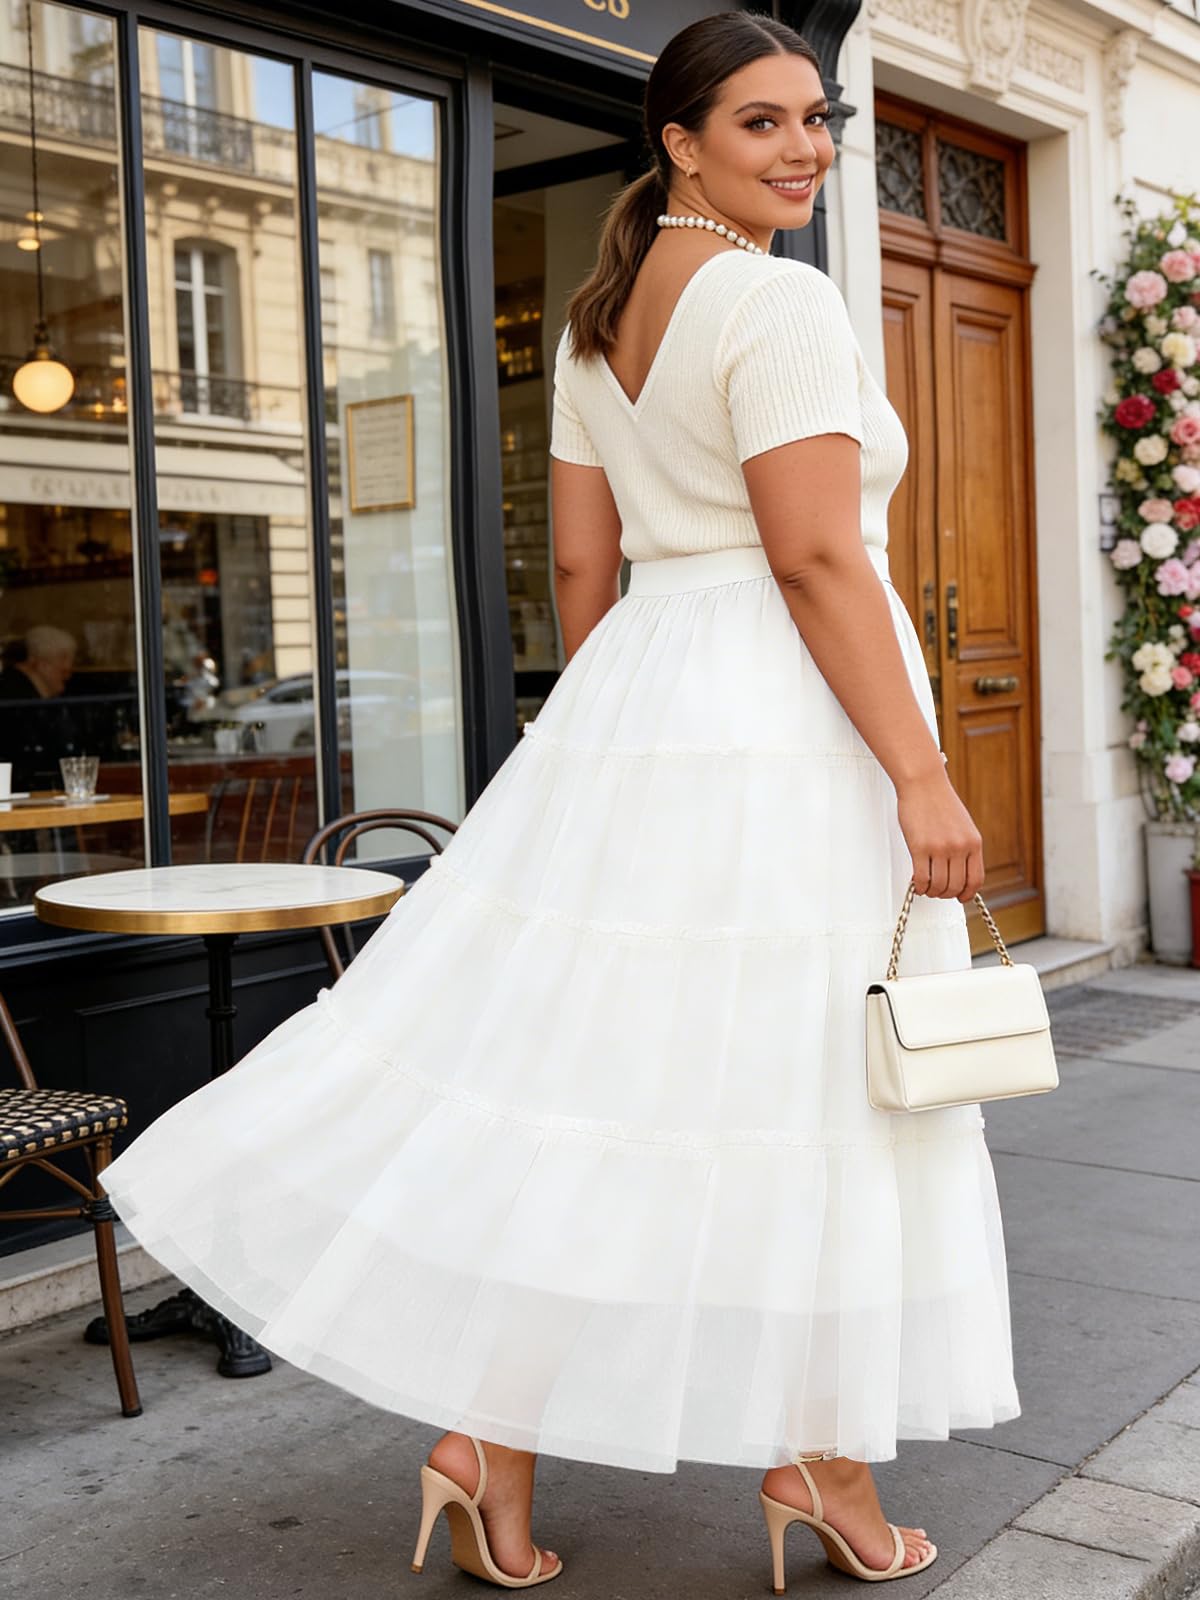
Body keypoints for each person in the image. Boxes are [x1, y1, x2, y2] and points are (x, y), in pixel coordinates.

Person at [100, 12, 1019, 1591]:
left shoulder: (600, 328)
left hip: (650, 705)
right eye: (762, 122)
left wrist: (630, 751)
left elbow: (584, 576)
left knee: (616, 1087)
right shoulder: (779, 301)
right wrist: (922, 775)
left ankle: (491, 1451)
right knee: (812, 1093)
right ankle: (823, 1467)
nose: (805, 147)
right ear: (681, 142)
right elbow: (815, 553)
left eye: (817, 117)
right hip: (791, 728)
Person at [0, 624, 78, 791]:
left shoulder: (30, 695)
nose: (68, 674)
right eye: (63, 664)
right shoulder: (15, 699)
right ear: (40, 663)